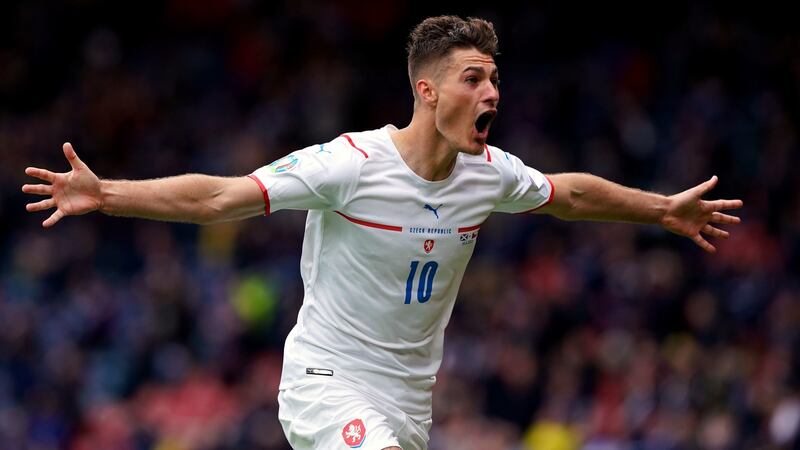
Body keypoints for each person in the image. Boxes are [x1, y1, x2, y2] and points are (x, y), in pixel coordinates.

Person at [22, 15, 742, 450]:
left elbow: (570, 196)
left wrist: (661, 209)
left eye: (494, 78)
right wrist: (107, 192)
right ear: (427, 91)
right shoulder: (351, 164)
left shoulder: (487, 173)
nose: (491, 92)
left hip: (406, 403)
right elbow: (219, 198)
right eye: (473, 78)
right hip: (325, 384)